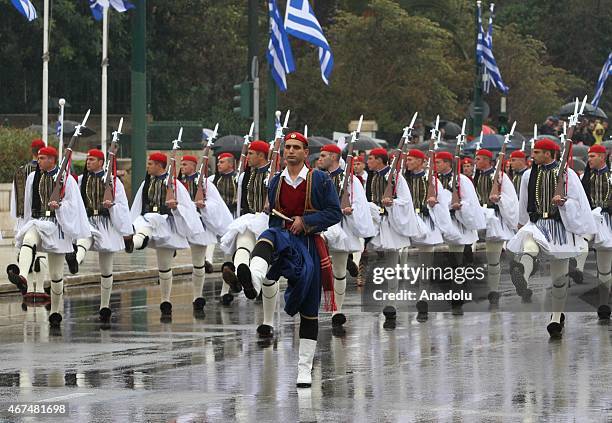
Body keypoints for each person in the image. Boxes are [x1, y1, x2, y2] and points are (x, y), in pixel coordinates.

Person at [236, 131, 342, 388]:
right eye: (287, 147)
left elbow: (334, 213)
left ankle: (304, 369)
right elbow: (274, 217)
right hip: (284, 238)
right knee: (267, 235)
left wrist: (305, 222)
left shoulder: (320, 179)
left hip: (308, 243)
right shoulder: (275, 181)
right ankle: (253, 280)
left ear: (306, 153)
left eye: (296, 147)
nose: (291, 151)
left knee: (308, 309)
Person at [507, 138, 597, 337]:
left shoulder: (567, 174)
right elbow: (524, 201)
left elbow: (578, 201)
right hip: (536, 223)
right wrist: (521, 224)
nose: (533, 155)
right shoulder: (528, 175)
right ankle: (521, 276)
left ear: (548, 153)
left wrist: (563, 202)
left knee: (559, 277)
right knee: (529, 247)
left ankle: (556, 317)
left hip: (559, 227)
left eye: (537, 152)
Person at [8, 146, 90, 327]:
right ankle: (22, 276)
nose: (38, 160)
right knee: (29, 240)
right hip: (38, 221)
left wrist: (59, 206)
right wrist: (23, 225)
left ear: (52, 160)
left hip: (57, 226)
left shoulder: (67, 180)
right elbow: (28, 205)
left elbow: (73, 205)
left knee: (56, 274)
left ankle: (55, 311)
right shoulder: (32, 177)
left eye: (42, 157)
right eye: (38, 157)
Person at [129, 152, 204, 318]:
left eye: (150, 163)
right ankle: (135, 241)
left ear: (159, 165)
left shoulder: (175, 184)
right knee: (146, 220)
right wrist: (130, 224)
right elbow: (138, 205)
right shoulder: (146, 183)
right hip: (150, 221)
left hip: (167, 225)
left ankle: (165, 301)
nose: (147, 166)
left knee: (164, 266)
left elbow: (187, 208)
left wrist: (176, 207)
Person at [317, 143, 375, 331]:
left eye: (324, 155)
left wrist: (350, 211)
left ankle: (337, 310)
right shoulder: (318, 177)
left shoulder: (350, 179)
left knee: (339, 271)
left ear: (334, 157)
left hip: (341, 227)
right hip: (321, 225)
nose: (321, 158)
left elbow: (359, 203)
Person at [73, 149, 133, 322]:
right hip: (89, 220)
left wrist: (112, 205)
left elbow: (122, 205)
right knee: (85, 237)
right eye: (87, 159)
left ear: (101, 162)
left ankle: (104, 306)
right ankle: (76, 261)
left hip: (106, 223)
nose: (88, 162)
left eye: (91, 159)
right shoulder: (82, 180)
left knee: (106, 269)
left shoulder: (113, 181)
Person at [365, 147, 422, 326]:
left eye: (371, 158)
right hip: (376, 221)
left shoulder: (396, 176)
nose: (368, 162)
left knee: (391, 263)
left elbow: (406, 200)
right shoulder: (372, 176)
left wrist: (392, 203)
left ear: (380, 160)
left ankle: (391, 303)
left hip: (391, 222)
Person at [403, 149, 461, 320]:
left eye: (411, 159)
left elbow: (444, 203)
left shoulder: (432, 180)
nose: (408, 162)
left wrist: (434, 203)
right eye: (407, 159)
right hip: (406, 222)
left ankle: (423, 299)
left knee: (424, 264)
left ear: (421, 161)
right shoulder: (402, 179)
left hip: (425, 223)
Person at [179, 154, 233, 313]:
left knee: (222, 255)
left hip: (220, 216)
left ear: (194, 166)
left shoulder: (206, 183)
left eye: (185, 164)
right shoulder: (180, 182)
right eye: (181, 164)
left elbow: (215, 202)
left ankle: (213, 293)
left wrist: (206, 207)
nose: (182, 167)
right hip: (186, 221)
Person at [219, 141, 271, 305]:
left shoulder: (274, 173)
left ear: (261, 155)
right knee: (242, 244)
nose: (247, 157)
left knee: (262, 259)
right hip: (251, 217)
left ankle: (252, 281)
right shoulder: (248, 174)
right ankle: (240, 276)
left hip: (268, 221)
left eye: (250, 154)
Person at [436, 151, 486, 313]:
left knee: (456, 258)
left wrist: (459, 205)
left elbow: (469, 200)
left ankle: (456, 292)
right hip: (444, 222)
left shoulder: (461, 180)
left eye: (439, 162)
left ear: (448, 164)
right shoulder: (435, 180)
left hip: (458, 221)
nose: (436, 165)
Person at [473, 148, 519, 305]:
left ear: (488, 160)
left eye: (479, 159)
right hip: (480, 217)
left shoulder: (500, 176)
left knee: (493, 259)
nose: (476, 161)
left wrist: (499, 200)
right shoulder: (476, 176)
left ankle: (493, 290)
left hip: (495, 220)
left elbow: (511, 199)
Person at [8, 139, 50, 302]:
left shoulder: (20, 170)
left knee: (25, 249)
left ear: (31, 150)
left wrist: (17, 215)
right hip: (41, 216)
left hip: (24, 217)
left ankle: (25, 280)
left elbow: (15, 195)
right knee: (41, 252)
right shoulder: (46, 171)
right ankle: (38, 287)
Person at [581, 144, 612, 320]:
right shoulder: (586, 177)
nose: (589, 159)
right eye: (589, 156)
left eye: (593, 156)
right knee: (604, 267)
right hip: (597, 224)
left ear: (602, 156)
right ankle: (603, 304)